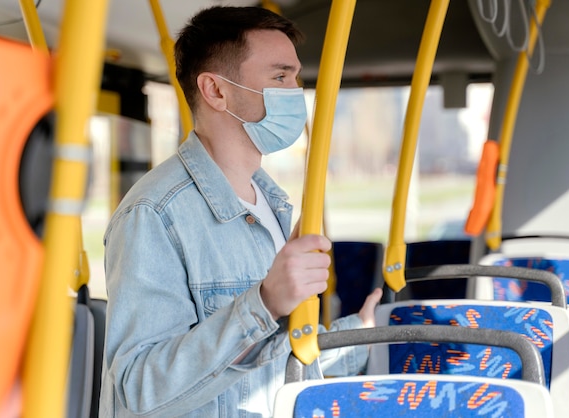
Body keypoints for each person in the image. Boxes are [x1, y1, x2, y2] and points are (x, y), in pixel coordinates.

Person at [99, 5, 382, 417]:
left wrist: (358, 336)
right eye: (280, 77)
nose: (295, 91)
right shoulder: (154, 213)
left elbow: (267, 368)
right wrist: (263, 304)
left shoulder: (270, 203)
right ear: (216, 91)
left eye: (295, 77)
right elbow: (141, 389)